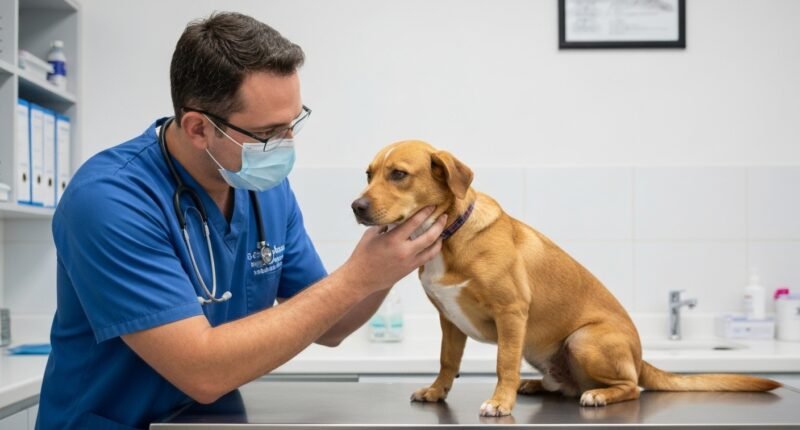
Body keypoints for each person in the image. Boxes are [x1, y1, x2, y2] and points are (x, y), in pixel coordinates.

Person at [36, 12, 446, 430]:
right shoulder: (109, 200)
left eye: (293, 123)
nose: (286, 144)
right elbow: (203, 372)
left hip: (204, 422)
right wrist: (358, 277)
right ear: (198, 128)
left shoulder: (265, 189)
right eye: (269, 133)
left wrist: (396, 257)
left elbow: (333, 324)